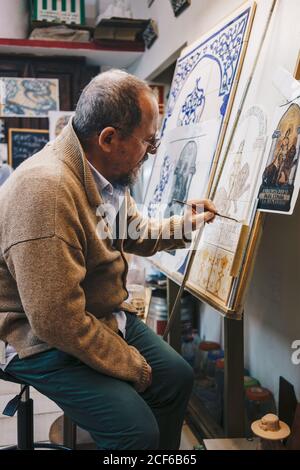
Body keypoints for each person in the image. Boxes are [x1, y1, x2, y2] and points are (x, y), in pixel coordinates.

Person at [0, 70, 216, 450]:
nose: (149, 155)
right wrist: (129, 364)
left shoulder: (101, 172)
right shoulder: (46, 192)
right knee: (135, 432)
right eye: (147, 144)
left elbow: (133, 231)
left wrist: (186, 225)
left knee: (177, 377)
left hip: (91, 314)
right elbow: (56, 321)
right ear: (109, 138)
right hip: (34, 335)